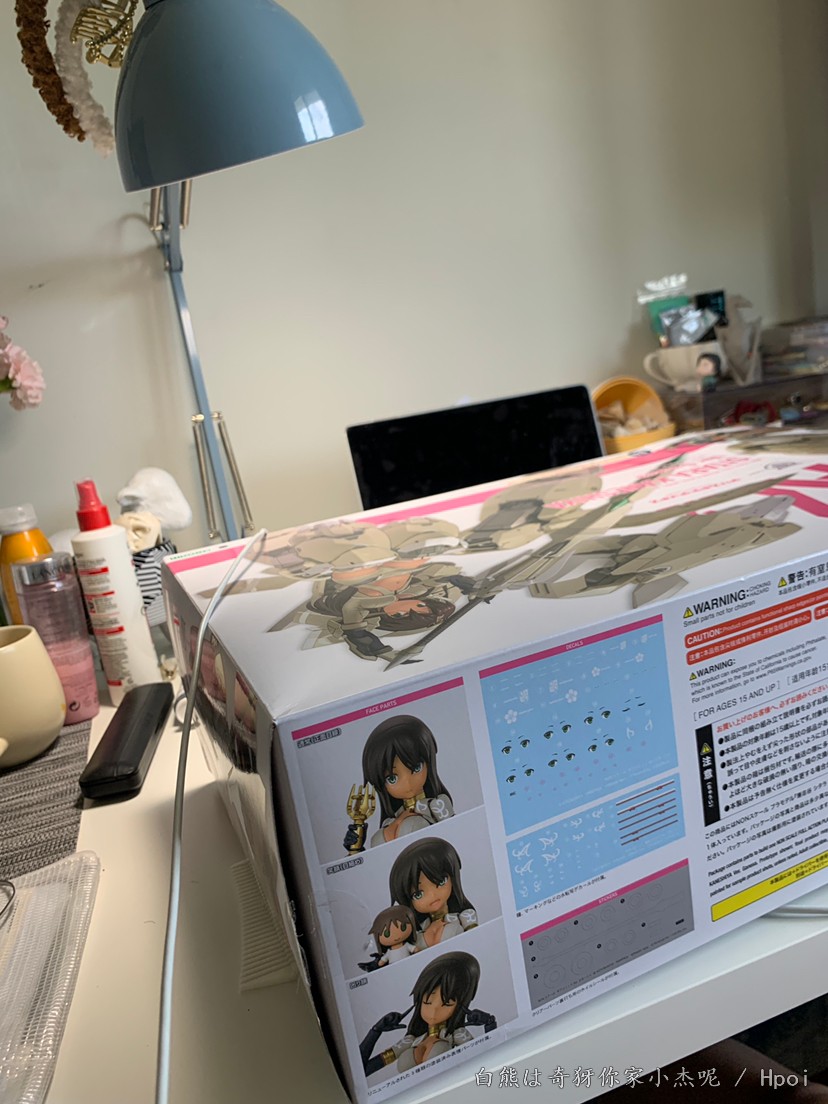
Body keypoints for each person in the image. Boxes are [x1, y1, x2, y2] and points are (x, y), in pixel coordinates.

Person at [359, 952, 496, 1077]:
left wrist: (490, 1024)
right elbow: (361, 1071)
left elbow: (490, 1061)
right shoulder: (410, 1040)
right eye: (428, 1001)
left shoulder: (457, 1035)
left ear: (461, 1004)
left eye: (447, 1003)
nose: (434, 1010)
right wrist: (375, 1031)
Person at [345, 714, 454, 851]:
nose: (407, 783)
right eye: (392, 778)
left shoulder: (436, 806)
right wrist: (356, 850)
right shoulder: (389, 821)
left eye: (416, 768)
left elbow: (455, 837)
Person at [389, 838, 477, 948]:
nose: (432, 895)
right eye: (418, 894)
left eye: (441, 882)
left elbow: (475, 938)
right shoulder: (418, 930)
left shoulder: (465, 916)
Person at [360, 905, 420, 971]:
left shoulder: (406, 945)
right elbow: (383, 961)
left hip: (409, 964)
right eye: (387, 934)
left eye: (403, 928)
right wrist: (381, 962)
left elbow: (414, 949)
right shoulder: (389, 952)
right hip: (394, 969)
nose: (396, 936)